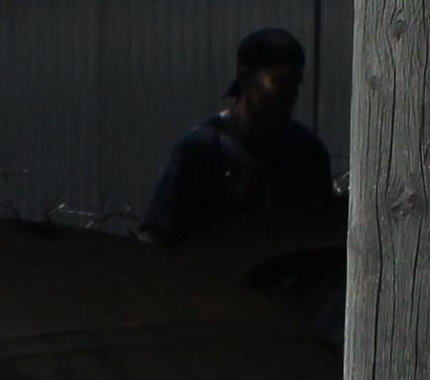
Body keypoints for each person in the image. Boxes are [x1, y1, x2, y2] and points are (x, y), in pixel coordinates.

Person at [138, 26, 334, 245]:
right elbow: (156, 236)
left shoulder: (306, 153)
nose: (290, 98)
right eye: (279, 85)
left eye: (295, 86)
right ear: (246, 78)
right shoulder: (200, 150)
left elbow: (323, 236)